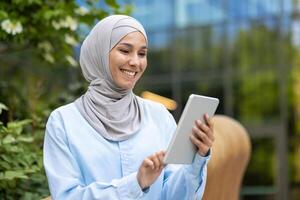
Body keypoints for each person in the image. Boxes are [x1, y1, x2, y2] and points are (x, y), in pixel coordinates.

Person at [43, 15, 215, 200]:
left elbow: (175, 196)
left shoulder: (159, 115)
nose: (135, 62)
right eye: (125, 51)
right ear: (99, 53)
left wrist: (197, 159)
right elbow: (66, 196)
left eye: (142, 54)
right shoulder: (63, 121)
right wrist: (136, 184)